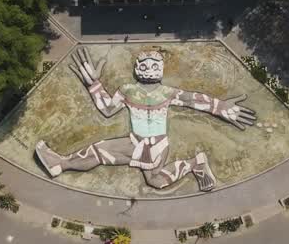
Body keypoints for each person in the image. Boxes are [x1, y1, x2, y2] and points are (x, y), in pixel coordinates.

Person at [35, 48, 256, 192]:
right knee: (154, 180)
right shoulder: (131, 90)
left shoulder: (162, 92)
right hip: (155, 147)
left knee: (99, 151)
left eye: (153, 65)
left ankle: (60, 164)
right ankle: (194, 163)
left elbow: (195, 100)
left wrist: (221, 107)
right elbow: (108, 109)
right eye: (144, 65)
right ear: (137, 68)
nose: (148, 69)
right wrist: (93, 84)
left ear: (160, 69)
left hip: (145, 145)